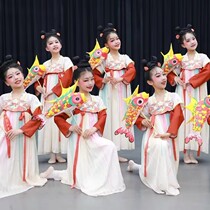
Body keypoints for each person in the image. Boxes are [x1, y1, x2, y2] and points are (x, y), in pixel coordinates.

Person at [40, 57, 125, 196]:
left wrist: (94, 128)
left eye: (92, 79)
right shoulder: (72, 100)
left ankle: (57, 173)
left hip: (92, 135)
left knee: (109, 147)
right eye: (86, 80)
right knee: (81, 164)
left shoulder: (97, 99)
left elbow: (103, 115)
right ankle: (61, 174)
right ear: (76, 82)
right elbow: (58, 117)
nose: (90, 83)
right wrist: (71, 127)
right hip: (78, 138)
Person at [127, 56, 184, 196]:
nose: (163, 78)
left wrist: (169, 133)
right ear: (150, 82)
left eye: (164, 74)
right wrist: (143, 122)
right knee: (160, 147)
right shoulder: (148, 101)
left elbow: (178, 115)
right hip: (153, 134)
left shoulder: (174, 97)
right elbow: (139, 118)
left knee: (165, 151)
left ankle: (135, 166)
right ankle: (149, 175)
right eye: (158, 76)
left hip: (169, 133)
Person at [0, 55, 47, 199]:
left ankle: (22, 177)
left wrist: (21, 130)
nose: (15, 78)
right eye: (10, 76)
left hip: (23, 136)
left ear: (23, 75)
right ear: (6, 82)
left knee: (19, 158)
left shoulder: (31, 99)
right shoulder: (3, 98)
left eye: (18, 74)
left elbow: (39, 118)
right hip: (5, 133)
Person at [93, 23, 136, 162]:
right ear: (106, 44)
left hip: (122, 90)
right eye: (112, 40)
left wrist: (121, 78)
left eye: (117, 38)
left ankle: (116, 151)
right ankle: (106, 150)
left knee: (120, 116)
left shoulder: (125, 57)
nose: (116, 42)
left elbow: (132, 70)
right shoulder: (103, 59)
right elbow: (95, 75)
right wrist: (104, 79)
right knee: (109, 116)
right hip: (109, 92)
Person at [167, 24, 210, 164]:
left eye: (193, 38)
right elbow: (169, 72)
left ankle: (193, 150)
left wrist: (191, 81)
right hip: (184, 92)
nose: (192, 42)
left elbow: (207, 72)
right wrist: (176, 79)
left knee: (197, 116)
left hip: (197, 91)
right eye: (188, 40)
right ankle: (186, 152)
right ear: (183, 44)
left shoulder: (203, 57)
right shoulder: (180, 59)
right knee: (186, 118)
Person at [35, 29, 74, 164]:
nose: (54, 44)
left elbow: (67, 78)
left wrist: (53, 90)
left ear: (61, 45)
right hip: (47, 98)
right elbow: (37, 80)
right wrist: (39, 88)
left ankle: (60, 151)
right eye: (50, 43)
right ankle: (52, 153)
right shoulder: (45, 65)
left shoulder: (66, 61)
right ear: (47, 48)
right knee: (49, 122)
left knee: (59, 119)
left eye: (56, 42)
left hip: (60, 96)